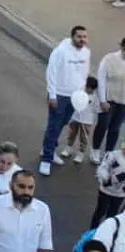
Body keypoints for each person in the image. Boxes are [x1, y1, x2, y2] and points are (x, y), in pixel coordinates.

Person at [41, 25, 92, 175]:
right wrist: (52, 95)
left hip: (75, 96)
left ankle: (48, 149)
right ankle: (46, 159)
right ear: (72, 37)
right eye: (79, 36)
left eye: (84, 37)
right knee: (53, 126)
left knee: (62, 124)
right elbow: (51, 72)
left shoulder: (86, 53)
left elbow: (84, 74)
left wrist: (83, 94)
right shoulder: (60, 51)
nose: (82, 39)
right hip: (59, 95)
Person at [93, 38, 125, 164]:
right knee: (103, 125)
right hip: (108, 100)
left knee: (115, 129)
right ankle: (95, 150)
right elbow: (101, 79)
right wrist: (102, 100)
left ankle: (108, 154)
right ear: (122, 46)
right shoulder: (109, 59)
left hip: (123, 102)